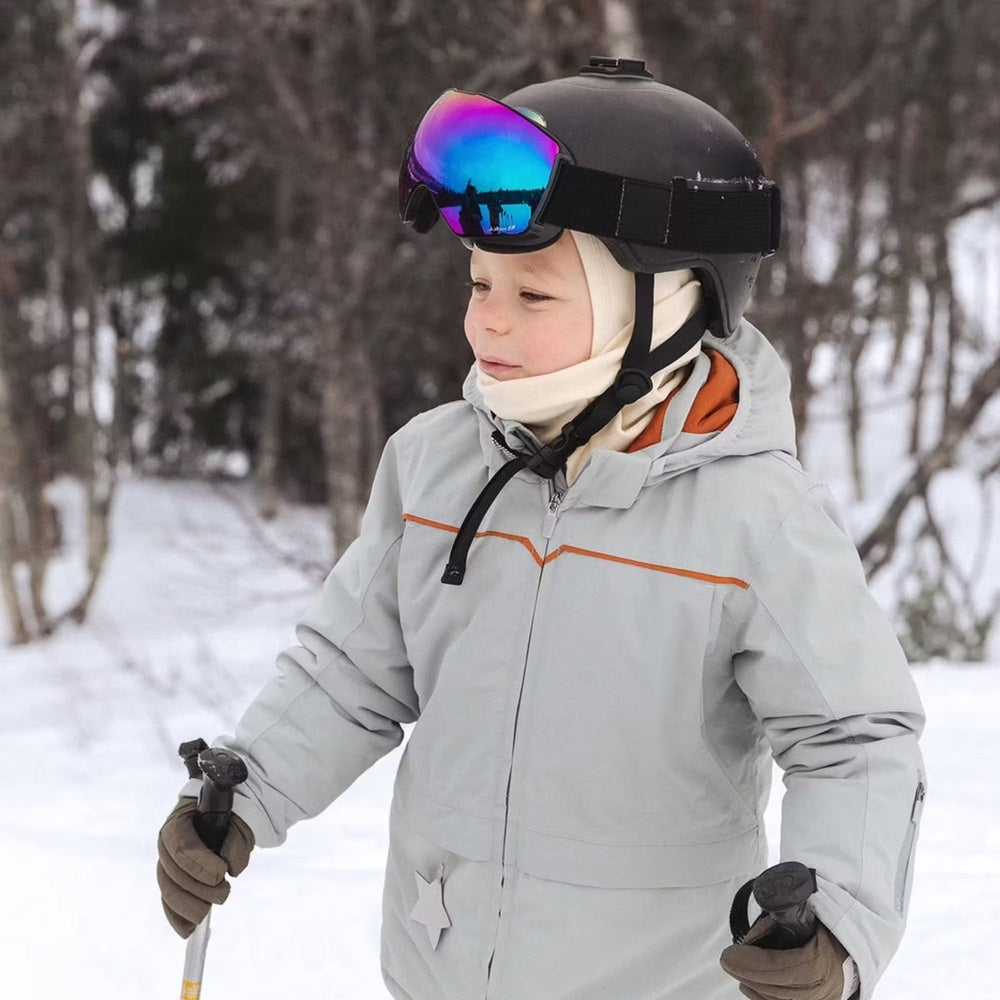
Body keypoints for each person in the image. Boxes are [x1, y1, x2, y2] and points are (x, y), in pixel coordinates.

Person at [156, 57, 926, 1000]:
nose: (488, 322)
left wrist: (836, 921)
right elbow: (350, 669)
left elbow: (853, 738)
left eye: (534, 295)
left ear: (667, 304)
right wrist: (243, 792)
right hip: (439, 968)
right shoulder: (434, 465)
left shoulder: (755, 515)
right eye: (480, 284)